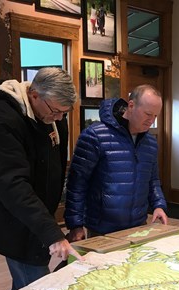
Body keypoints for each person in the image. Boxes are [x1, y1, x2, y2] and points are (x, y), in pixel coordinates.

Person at [0, 67, 83, 290]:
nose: (60, 118)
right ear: (34, 95)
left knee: (27, 284)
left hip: (34, 210)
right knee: (38, 287)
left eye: (66, 112)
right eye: (56, 111)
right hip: (6, 209)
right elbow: (12, 183)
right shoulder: (2, 118)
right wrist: (52, 233)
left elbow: (56, 168)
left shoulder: (53, 117)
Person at [65, 84, 168, 241]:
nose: (151, 121)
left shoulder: (150, 143)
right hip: (102, 228)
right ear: (131, 106)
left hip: (138, 226)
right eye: (148, 114)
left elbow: (152, 180)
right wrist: (75, 224)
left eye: (155, 116)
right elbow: (77, 183)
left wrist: (158, 205)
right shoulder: (95, 135)